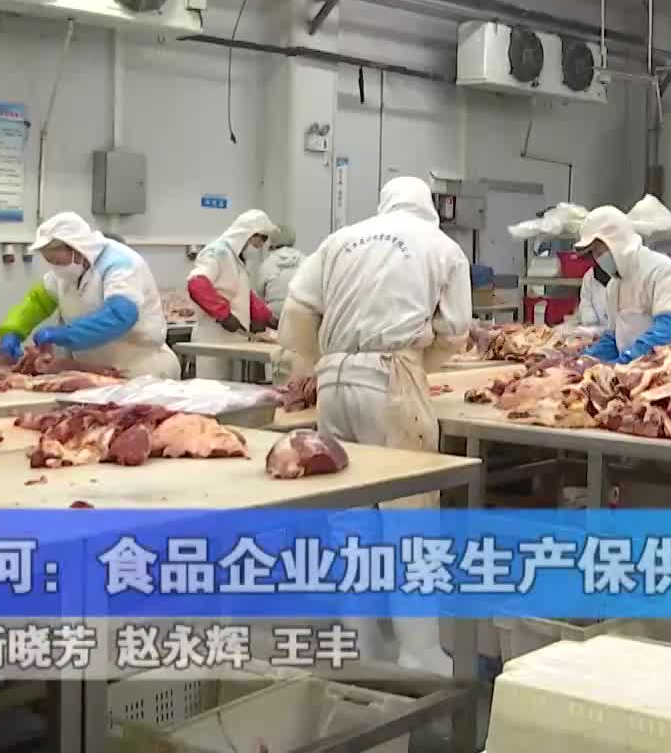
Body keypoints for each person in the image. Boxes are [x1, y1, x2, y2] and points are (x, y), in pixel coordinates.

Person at [277, 176, 470, 674]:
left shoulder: (340, 239)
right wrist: (418, 368)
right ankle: (419, 650)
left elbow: (297, 310)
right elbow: (455, 330)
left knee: (350, 519)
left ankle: (361, 645)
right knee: (410, 519)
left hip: (334, 381)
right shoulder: (442, 247)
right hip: (391, 380)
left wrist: (312, 365)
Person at [0, 212, 179, 378]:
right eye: (50, 262)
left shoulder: (120, 264)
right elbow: (36, 303)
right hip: (95, 372)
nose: (56, 267)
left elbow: (120, 315)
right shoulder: (63, 274)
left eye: (58, 261)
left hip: (141, 370)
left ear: (78, 250)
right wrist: (12, 331)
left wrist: (67, 334)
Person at [575, 206, 671, 363]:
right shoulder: (614, 286)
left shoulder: (663, 272)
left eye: (601, 252)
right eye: (595, 254)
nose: (599, 259)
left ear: (617, 242)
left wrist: (625, 362)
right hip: (635, 373)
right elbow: (614, 338)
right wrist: (585, 361)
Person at [185, 209, 277, 381]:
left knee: (233, 391)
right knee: (213, 390)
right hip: (213, 339)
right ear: (248, 233)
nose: (261, 245)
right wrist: (223, 315)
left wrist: (268, 318)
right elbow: (197, 284)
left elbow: (243, 295)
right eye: (262, 238)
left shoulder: (236, 260)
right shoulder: (217, 252)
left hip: (235, 339)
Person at [256, 224, 305, 313]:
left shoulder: (267, 264)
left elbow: (259, 293)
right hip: (300, 310)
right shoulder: (305, 260)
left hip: (274, 313)